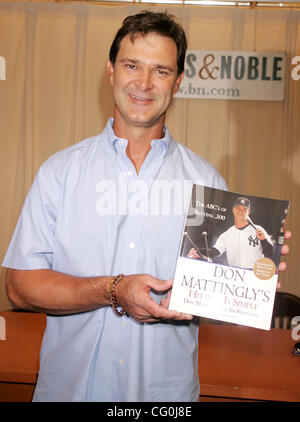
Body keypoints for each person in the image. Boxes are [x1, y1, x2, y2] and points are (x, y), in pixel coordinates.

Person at [2, 11, 290, 402]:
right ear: (111, 72)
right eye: (132, 65)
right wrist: (113, 290)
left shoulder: (207, 183)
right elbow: (20, 287)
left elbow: (218, 298)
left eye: (161, 71)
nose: (143, 83)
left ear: (179, 81)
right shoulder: (59, 173)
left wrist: (258, 267)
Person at [187, 197, 274, 270]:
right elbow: (214, 252)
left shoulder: (258, 230)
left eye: (244, 209)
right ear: (233, 210)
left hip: (254, 274)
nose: (240, 211)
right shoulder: (227, 234)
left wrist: (263, 240)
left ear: (249, 212)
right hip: (234, 275)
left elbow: (270, 253)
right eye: (238, 208)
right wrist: (197, 250)